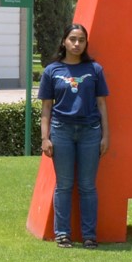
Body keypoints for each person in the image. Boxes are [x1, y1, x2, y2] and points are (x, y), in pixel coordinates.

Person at [38, 23, 109, 248]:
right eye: (72, 39)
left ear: (86, 43)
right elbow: (46, 108)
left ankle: (89, 235)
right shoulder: (52, 71)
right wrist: (45, 138)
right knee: (64, 185)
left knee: (88, 185)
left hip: (90, 132)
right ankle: (63, 234)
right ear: (64, 42)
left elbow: (101, 104)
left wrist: (106, 135)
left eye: (81, 40)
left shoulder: (94, 70)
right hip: (61, 131)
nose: (77, 44)